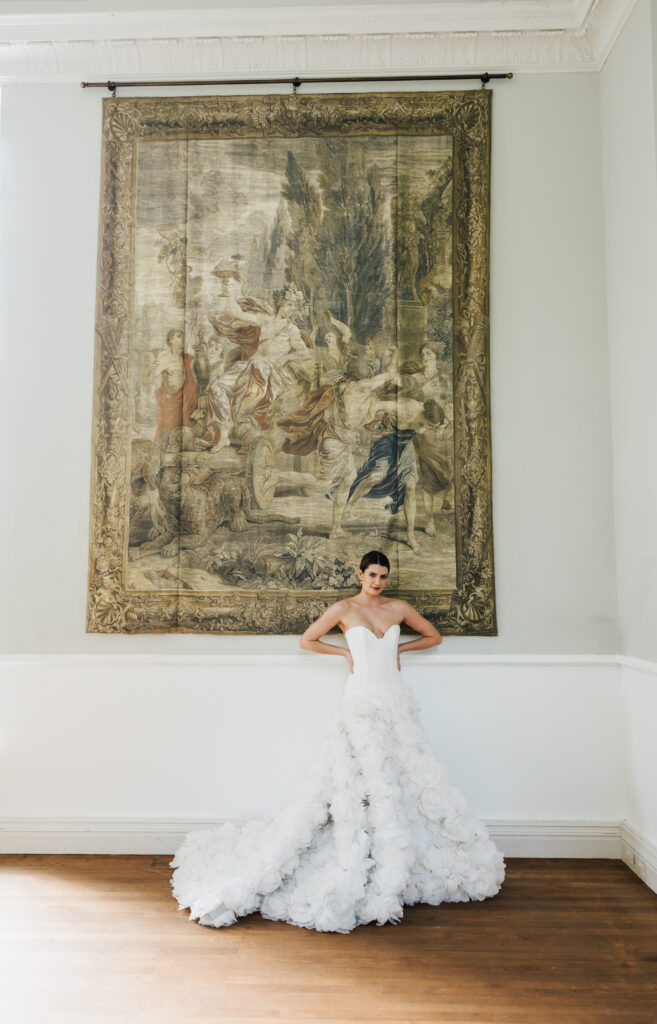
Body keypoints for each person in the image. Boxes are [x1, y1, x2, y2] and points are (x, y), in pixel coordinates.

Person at [169, 551, 505, 933]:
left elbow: (433, 636)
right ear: (360, 574)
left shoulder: (398, 608)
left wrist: (399, 648)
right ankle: (358, 850)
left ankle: (397, 852)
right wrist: (343, 650)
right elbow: (307, 640)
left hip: (394, 700)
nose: (377, 582)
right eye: (372, 575)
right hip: (359, 700)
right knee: (357, 781)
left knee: (401, 777)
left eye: (383, 576)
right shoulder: (344, 609)